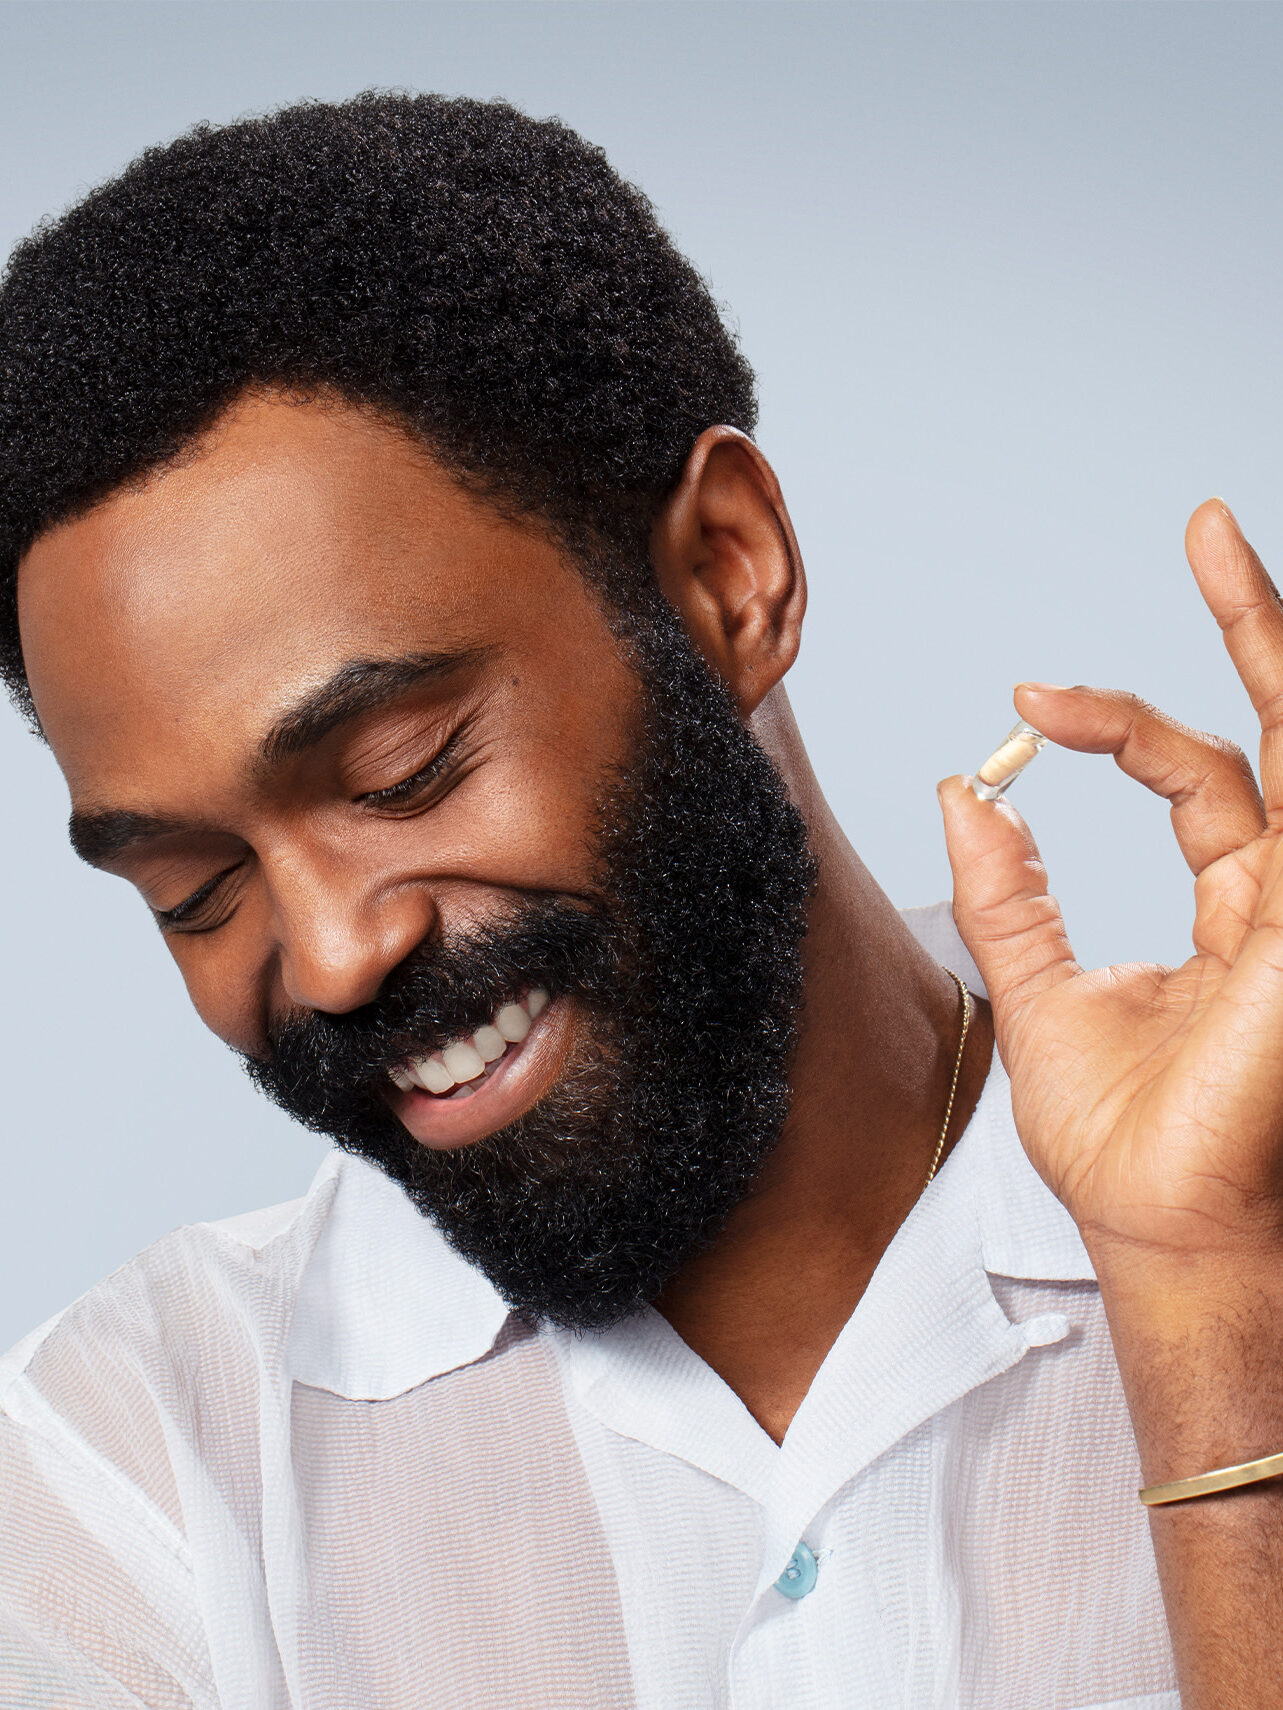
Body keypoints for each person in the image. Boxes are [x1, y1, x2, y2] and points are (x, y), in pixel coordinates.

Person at [0, 91, 1278, 1710]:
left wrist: (1215, 1317)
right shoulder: (124, 1477)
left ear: (730, 574)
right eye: (195, 891)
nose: (329, 956)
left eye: (400, 768)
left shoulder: (1237, 1242)